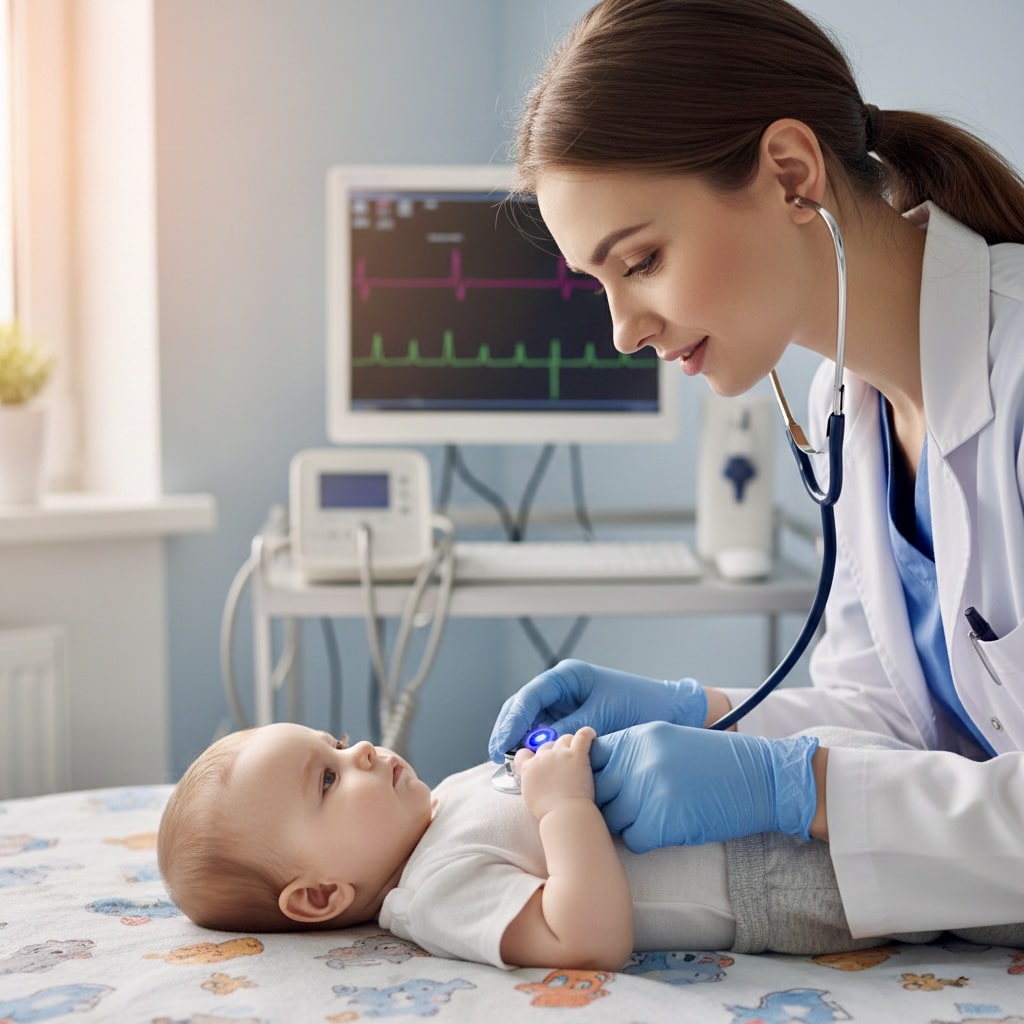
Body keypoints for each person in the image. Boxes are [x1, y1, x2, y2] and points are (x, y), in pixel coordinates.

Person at [489, 0, 1024, 941]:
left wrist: (790, 784)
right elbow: (897, 719)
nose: (624, 331)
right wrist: (711, 715)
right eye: (601, 285)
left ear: (789, 173)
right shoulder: (843, 406)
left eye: (642, 260)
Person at [157, 721, 952, 972]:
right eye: (327, 780)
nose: (360, 750)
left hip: (764, 803)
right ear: (322, 895)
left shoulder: (439, 807)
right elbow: (587, 937)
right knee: (954, 872)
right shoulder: (431, 892)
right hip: (767, 875)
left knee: (941, 783)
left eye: (335, 740)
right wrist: (564, 802)